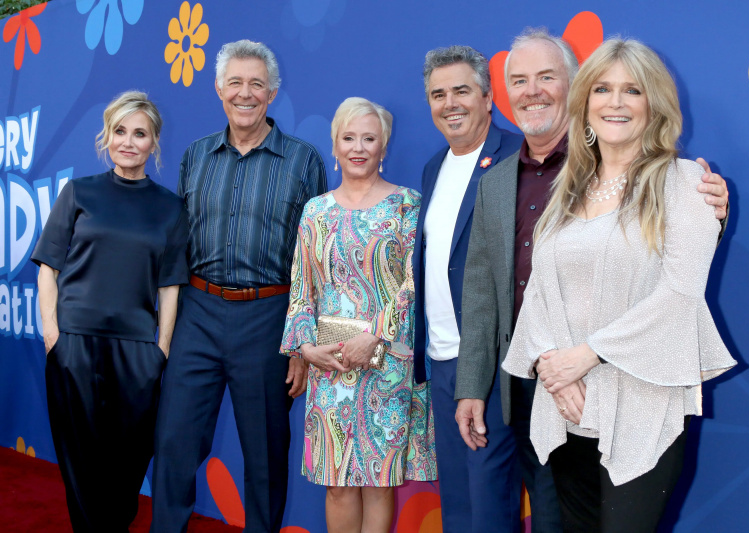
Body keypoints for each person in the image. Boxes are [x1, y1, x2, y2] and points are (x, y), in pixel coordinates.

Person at [454, 27, 731, 530]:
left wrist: (583, 357)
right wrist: (551, 369)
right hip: (567, 407)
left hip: (643, 406)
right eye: (602, 89)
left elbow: (679, 296)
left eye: (632, 90)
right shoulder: (567, 192)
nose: (615, 102)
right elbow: (537, 292)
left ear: (655, 104)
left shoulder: (686, 183)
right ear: (585, 104)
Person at [150, 40, 327, 533]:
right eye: (235, 83)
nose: (245, 93)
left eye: (256, 84)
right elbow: (177, 246)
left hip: (269, 320)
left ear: (272, 92)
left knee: (266, 455)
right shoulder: (195, 157)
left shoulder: (303, 161)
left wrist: (300, 344)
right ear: (218, 89)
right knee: (174, 444)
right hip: (198, 314)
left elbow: (311, 261)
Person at [411, 46, 557, 532]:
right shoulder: (434, 167)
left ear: (487, 97)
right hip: (441, 358)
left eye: (461, 91)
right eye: (438, 94)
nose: (449, 103)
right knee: (457, 500)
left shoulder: (518, 157)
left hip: (495, 359)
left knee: (490, 504)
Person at [32, 90, 188, 532]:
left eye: (140, 133)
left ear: (154, 142)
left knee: (127, 463)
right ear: (107, 135)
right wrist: (52, 335)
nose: (128, 141)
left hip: (137, 351)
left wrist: (160, 348)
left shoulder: (170, 207)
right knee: (79, 462)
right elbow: (48, 270)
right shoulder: (79, 192)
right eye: (120, 131)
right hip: (74, 344)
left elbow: (171, 285)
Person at [281, 97, 435, 533]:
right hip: (329, 366)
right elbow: (301, 288)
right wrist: (306, 348)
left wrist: (378, 336)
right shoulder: (315, 211)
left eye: (369, 138)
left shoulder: (407, 206)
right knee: (336, 483)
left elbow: (413, 284)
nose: (359, 147)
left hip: (387, 364)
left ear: (384, 147)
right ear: (335, 145)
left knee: (379, 482)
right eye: (349, 138)